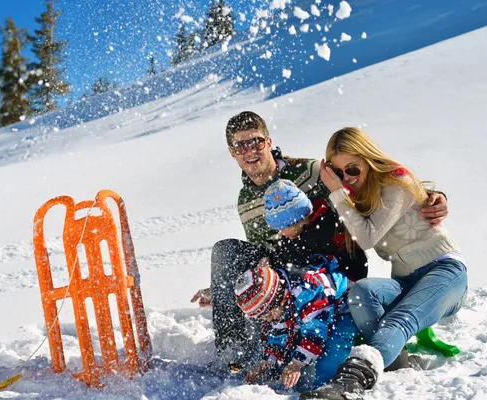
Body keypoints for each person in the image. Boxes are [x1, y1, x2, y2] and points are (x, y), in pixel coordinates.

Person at [190, 111, 450, 365]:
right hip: (285, 267)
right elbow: (262, 251)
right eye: (240, 145)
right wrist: (227, 286)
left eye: (255, 141)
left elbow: (364, 182)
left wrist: (430, 195)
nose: (250, 150)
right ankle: (233, 351)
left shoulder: (310, 171)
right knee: (226, 250)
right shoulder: (246, 202)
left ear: (268, 142)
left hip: (328, 265)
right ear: (232, 152)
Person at [299, 127, 468, 400]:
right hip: (406, 280)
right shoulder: (359, 197)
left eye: (353, 169)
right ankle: (397, 362)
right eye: (339, 173)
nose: (347, 179)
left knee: (400, 320)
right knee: (362, 292)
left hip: (445, 271)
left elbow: (366, 237)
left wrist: (336, 192)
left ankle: (348, 384)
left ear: (368, 159)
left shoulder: (394, 180)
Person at [234, 257, 356, 391]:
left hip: (347, 307)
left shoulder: (307, 293)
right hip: (314, 315)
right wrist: (266, 364)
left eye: (267, 315)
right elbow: (279, 332)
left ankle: (326, 390)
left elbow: (316, 332)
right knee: (288, 356)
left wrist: (297, 363)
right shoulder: (281, 297)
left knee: (327, 362)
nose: (267, 320)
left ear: (276, 300)